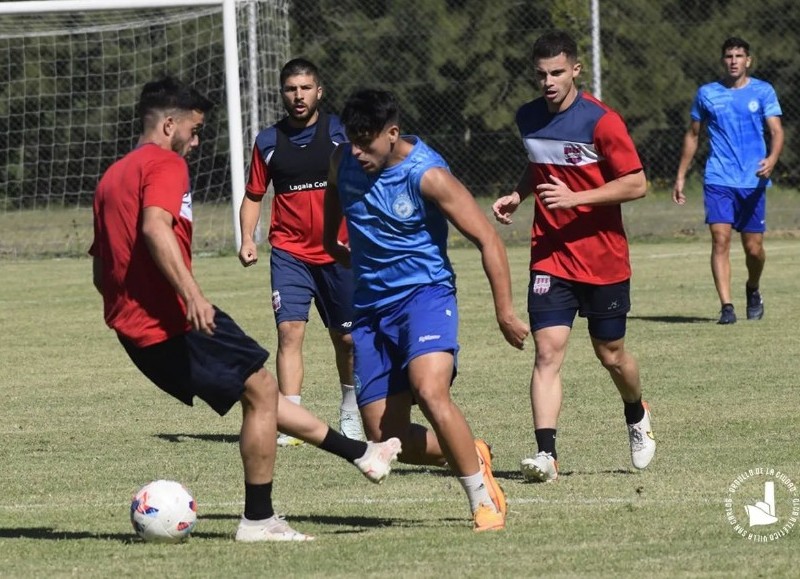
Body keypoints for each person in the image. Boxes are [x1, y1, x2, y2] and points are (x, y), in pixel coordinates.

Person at [90, 77, 401, 543]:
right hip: (173, 320)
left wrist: (123, 307)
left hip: (136, 329)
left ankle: (362, 453)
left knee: (259, 391)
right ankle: (259, 520)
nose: (195, 143)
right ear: (169, 124)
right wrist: (193, 296)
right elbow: (155, 229)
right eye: (193, 131)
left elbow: (100, 264)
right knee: (260, 387)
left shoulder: (113, 175)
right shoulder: (165, 164)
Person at [323, 88, 530, 532]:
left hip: (425, 297)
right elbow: (332, 202)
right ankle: (471, 452)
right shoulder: (343, 160)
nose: (356, 152)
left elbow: (488, 238)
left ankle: (481, 499)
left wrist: (505, 311)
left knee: (431, 390)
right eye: (350, 141)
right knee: (384, 435)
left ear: (392, 133)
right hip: (370, 310)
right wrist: (329, 242)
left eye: (366, 142)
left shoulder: (427, 175)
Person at [491, 30, 655, 483]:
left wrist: (579, 198)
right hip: (551, 253)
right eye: (541, 74)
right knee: (548, 351)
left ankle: (636, 412)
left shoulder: (602, 121)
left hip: (602, 258)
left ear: (575, 70)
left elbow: (636, 184)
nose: (548, 81)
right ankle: (547, 455)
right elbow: (541, 163)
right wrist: (519, 194)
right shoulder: (528, 117)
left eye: (557, 72)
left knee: (611, 354)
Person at [239, 58, 363, 446]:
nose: (298, 96)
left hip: (339, 253)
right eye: (291, 89)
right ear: (283, 93)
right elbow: (253, 196)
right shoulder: (268, 142)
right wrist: (247, 238)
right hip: (289, 253)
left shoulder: (342, 133)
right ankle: (290, 419)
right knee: (289, 331)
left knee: (346, 340)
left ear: (319, 92)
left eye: (305, 88)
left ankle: (351, 409)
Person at [672, 37, 784, 325]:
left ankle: (753, 288)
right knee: (720, 239)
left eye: (739, 55)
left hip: (753, 180)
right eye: (729, 56)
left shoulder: (763, 91)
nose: (733, 60)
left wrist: (771, 159)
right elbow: (693, 135)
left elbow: (777, 131)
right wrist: (681, 176)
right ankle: (727, 306)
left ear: (748, 60)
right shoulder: (707, 94)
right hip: (719, 177)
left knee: (754, 249)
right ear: (723, 60)